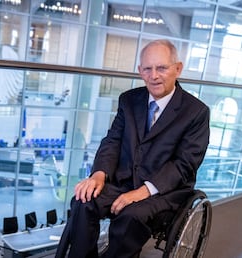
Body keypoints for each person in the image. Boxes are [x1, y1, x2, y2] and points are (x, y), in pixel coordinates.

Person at [55, 39, 210, 258]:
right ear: (140, 71)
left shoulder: (196, 112)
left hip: (162, 192)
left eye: (162, 68)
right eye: (148, 69)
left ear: (178, 69)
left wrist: (141, 192)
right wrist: (99, 175)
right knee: (84, 200)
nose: (154, 75)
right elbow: (112, 141)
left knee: (131, 215)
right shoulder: (129, 100)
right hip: (123, 182)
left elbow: (184, 165)